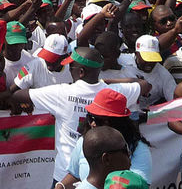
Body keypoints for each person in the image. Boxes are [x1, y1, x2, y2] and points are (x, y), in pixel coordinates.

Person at [11, 47, 148, 184]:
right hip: (105, 177)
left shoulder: (61, 93)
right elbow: (145, 85)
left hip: (65, 177)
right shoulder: (114, 93)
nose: (69, 70)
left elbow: (17, 95)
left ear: (81, 72)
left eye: (71, 66)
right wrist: (106, 82)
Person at [59, 89, 151, 188]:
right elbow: (75, 174)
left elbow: (137, 185)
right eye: (90, 117)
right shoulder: (86, 141)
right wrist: (61, 186)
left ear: (117, 122)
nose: (93, 124)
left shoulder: (138, 148)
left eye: (98, 120)